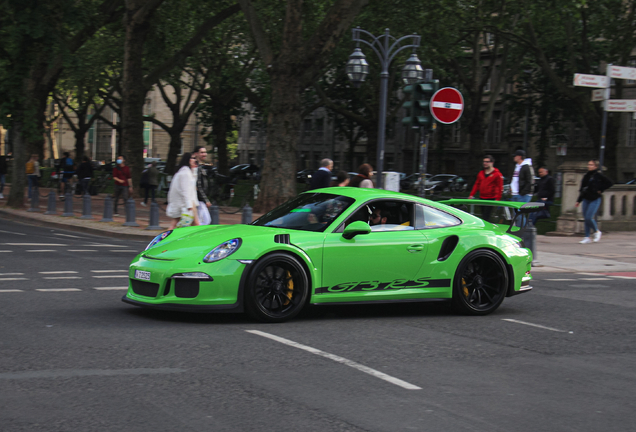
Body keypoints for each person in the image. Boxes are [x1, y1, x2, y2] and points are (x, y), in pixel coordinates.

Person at [575, 160, 613, 244]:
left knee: (589, 217)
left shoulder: (599, 176)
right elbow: (582, 189)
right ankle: (587, 237)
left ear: (595, 166)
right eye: (589, 164)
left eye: (591, 165)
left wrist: (600, 189)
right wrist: (578, 200)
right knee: (586, 219)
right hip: (586, 199)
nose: (589, 166)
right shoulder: (586, 176)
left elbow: (609, 183)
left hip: (595, 199)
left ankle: (597, 231)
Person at [166, 152, 200, 230]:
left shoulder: (185, 172)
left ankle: (165, 240)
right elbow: (186, 190)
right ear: (187, 160)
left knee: (174, 225)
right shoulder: (185, 173)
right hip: (186, 203)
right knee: (196, 225)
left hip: (184, 203)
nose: (194, 160)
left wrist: (194, 170)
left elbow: (192, 184)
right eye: (192, 158)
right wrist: (189, 206)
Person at [468, 154, 503, 221]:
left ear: (492, 162)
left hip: (491, 198)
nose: (485, 163)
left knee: (487, 215)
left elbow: (500, 187)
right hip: (482, 197)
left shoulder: (497, 174)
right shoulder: (481, 173)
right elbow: (476, 184)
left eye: (487, 162)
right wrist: (471, 194)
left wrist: (498, 199)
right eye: (484, 162)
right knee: (483, 214)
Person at [192, 145, 212, 225]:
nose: (205, 154)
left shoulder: (200, 167)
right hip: (198, 200)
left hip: (198, 199)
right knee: (205, 221)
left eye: (205, 152)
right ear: (196, 154)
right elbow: (198, 185)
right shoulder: (197, 167)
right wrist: (205, 200)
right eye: (202, 152)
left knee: (200, 221)